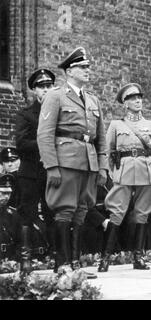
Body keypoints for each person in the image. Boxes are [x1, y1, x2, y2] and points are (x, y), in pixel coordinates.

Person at [37, 47, 108, 278]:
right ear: (69, 70)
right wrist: (51, 166)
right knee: (64, 210)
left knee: (81, 211)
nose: (87, 70)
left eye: (88, 67)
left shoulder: (92, 100)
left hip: (88, 162)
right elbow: (45, 134)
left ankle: (76, 264)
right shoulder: (55, 96)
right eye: (82, 67)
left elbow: (101, 139)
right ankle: (62, 263)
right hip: (65, 161)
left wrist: (103, 166)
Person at [97, 83, 151, 272]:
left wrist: (150, 169)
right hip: (123, 171)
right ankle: (105, 258)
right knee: (117, 211)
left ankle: (138, 257)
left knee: (143, 212)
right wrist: (113, 172)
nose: (138, 100)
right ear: (125, 103)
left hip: (145, 170)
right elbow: (108, 151)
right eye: (133, 98)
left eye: (139, 97)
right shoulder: (116, 125)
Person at [15, 68, 56, 273]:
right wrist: (46, 143)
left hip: (50, 172)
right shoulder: (26, 114)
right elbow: (21, 143)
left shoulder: (58, 115)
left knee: (52, 213)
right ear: (34, 91)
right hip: (30, 172)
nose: (46, 90)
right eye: (41, 87)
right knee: (27, 213)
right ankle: (26, 259)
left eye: (49, 86)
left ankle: (58, 258)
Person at [0, 174, 21, 263]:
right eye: (3, 193)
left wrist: (15, 260)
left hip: (10, 261)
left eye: (9, 193)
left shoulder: (13, 214)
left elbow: (19, 241)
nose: (6, 197)